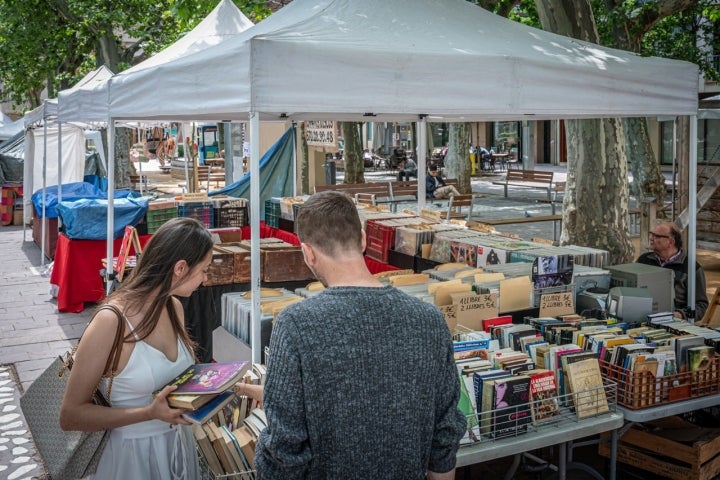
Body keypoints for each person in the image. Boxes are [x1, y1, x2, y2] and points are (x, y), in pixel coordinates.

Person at [255, 191, 466, 479]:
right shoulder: (430, 320)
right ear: (364, 239)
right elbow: (444, 436)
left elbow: (283, 449)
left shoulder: (295, 325)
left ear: (308, 253)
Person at [60, 217, 215, 479]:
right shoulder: (112, 321)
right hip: (131, 459)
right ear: (180, 268)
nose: (206, 278)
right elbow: (70, 415)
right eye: (204, 269)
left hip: (177, 450)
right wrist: (147, 413)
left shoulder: (173, 307)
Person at [636, 222, 709, 320]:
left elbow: (701, 305)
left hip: (674, 324)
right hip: (641, 317)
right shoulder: (643, 260)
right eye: (651, 234)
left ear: (671, 242)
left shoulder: (692, 268)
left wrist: (679, 315)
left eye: (657, 236)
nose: (651, 238)